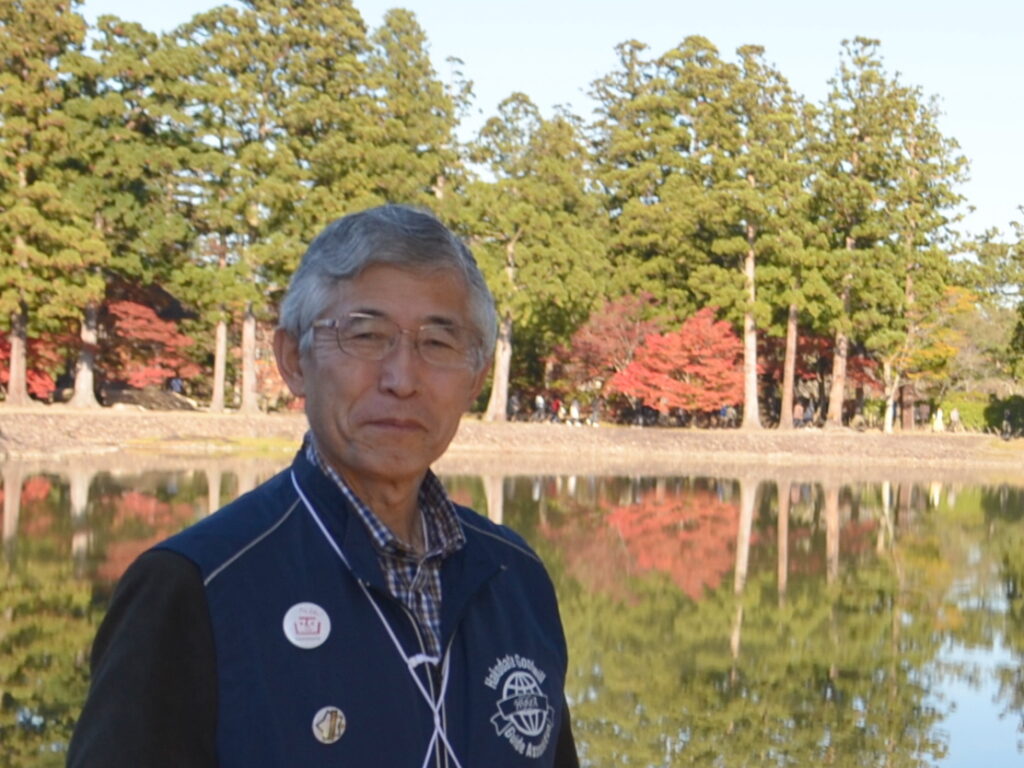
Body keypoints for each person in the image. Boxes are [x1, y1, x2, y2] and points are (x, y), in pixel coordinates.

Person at [67, 205, 579, 768]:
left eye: (438, 344)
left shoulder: (518, 580)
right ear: (294, 360)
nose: (401, 379)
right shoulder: (193, 588)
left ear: (476, 378)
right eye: (365, 334)